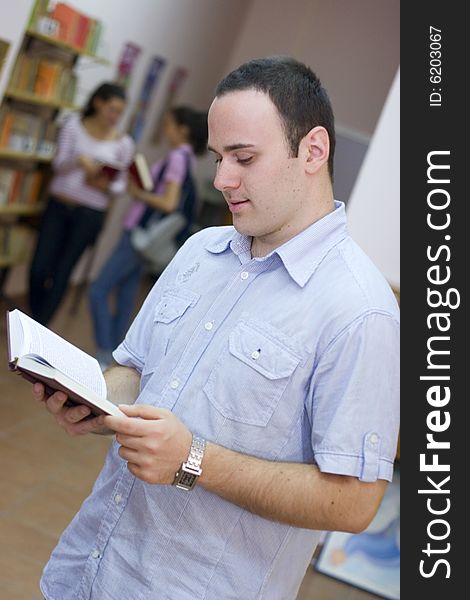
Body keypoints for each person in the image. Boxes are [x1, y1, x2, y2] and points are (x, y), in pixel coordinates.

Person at [34, 56, 399, 600]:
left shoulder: (358, 310)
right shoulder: (200, 250)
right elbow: (137, 370)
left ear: (313, 151)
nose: (223, 180)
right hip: (89, 568)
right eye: (218, 156)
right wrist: (95, 399)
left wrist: (192, 460)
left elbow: (353, 501)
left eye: (244, 158)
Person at [88, 105, 208, 369]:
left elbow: (169, 203)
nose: (165, 131)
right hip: (148, 241)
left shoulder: (177, 157)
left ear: (183, 130)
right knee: (126, 296)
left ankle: (105, 351)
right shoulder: (187, 159)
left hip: (140, 236)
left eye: (168, 125)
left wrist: (138, 193)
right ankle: (118, 355)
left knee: (98, 290)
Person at [28, 82, 134, 325]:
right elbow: (58, 165)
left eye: (120, 112)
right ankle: (34, 316)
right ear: (98, 103)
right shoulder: (73, 125)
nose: (115, 117)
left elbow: (120, 186)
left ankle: (40, 326)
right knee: (39, 267)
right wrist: (80, 161)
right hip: (58, 206)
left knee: (63, 272)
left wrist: (105, 185)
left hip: (90, 215)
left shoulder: (123, 143)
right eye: (112, 109)